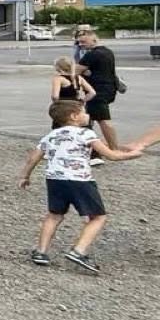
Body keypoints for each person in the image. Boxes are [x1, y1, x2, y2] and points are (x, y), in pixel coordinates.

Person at [17, 100, 141, 273]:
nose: (87, 115)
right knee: (98, 217)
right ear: (74, 116)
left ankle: (41, 252)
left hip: (55, 180)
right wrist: (133, 154)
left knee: (54, 215)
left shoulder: (51, 135)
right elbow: (111, 156)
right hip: (80, 181)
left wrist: (25, 176)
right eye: (84, 112)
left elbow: (33, 158)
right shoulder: (86, 134)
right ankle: (79, 251)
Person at [75, 27, 121, 149]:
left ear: (94, 40)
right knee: (87, 120)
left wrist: (84, 72)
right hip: (109, 88)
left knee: (103, 120)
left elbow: (74, 71)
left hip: (96, 92)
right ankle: (91, 146)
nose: (80, 45)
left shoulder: (91, 55)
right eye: (79, 42)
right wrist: (86, 71)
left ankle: (114, 149)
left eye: (83, 42)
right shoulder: (108, 52)